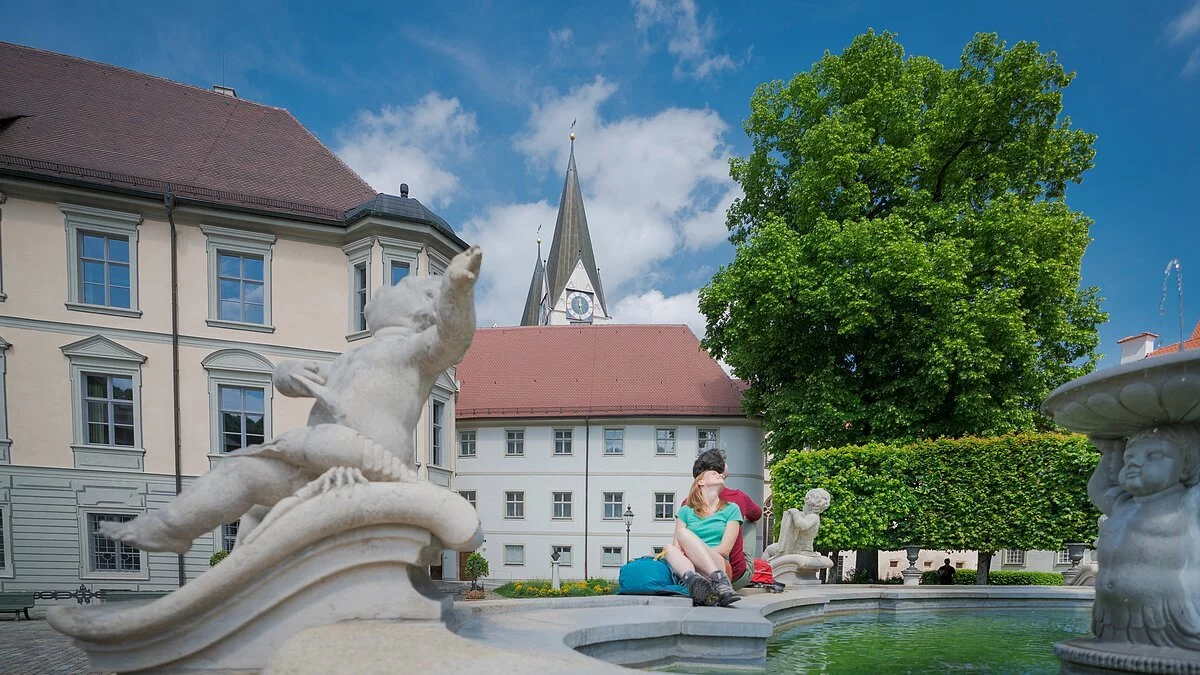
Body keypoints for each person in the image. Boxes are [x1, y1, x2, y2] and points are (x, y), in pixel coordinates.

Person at [100, 247, 484, 553]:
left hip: (367, 461)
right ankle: (173, 528)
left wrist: (456, 291)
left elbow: (453, 339)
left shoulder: (413, 350)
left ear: (422, 307)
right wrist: (286, 372)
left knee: (256, 480)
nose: (384, 290)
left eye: (399, 286)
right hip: (311, 460)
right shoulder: (350, 357)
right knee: (244, 475)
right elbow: (296, 379)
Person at [662, 470, 743, 606]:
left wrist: (696, 553)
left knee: (683, 533)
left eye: (720, 474)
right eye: (713, 473)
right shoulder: (685, 511)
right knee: (668, 549)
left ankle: (718, 580)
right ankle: (694, 582)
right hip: (692, 568)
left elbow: (725, 549)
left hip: (719, 564)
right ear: (701, 482)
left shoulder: (732, 509)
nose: (720, 475)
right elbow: (677, 549)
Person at [690, 449, 762, 591]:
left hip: (697, 571)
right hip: (734, 576)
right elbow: (757, 515)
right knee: (749, 522)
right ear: (719, 473)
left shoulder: (687, 503)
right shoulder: (738, 498)